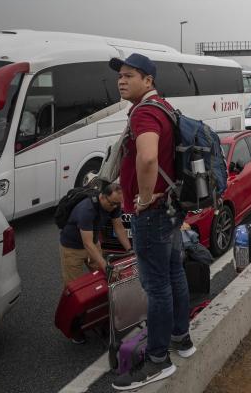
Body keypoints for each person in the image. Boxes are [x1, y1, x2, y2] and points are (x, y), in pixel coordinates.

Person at [110, 53, 197, 389]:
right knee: (174, 273)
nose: (122, 80)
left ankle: (158, 360)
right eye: (120, 75)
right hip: (171, 208)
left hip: (153, 214)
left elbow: (147, 157)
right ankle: (182, 339)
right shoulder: (163, 106)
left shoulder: (144, 112)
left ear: (148, 80)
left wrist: (144, 199)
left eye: (130, 75)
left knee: (156, 286)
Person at [59, 181, 129, 284]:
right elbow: (87, 243)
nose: (115, 207)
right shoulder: (87, 210)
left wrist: (129, 249)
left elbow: (119, 228)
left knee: (104, 278)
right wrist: (106, 267)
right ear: (102, 197)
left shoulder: (114, 203)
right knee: (74, 285)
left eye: (118, 204)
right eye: (112, 204)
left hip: (93, 242)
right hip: (72, 248)